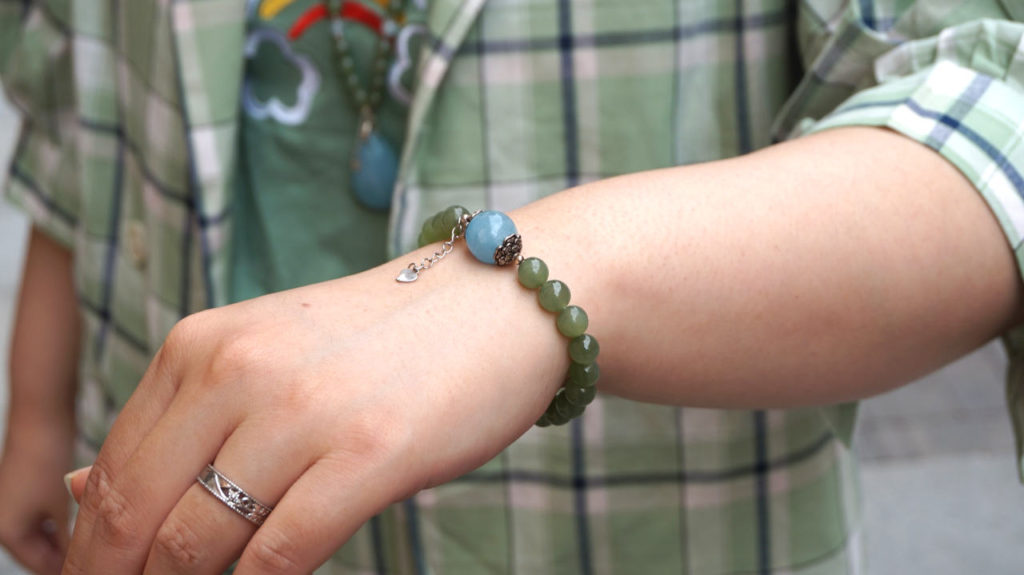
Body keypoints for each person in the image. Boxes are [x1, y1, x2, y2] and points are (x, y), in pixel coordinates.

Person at [1, 0, 1023, 573]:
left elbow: (989, 116)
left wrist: (537, 285)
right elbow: (80, 106)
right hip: (167, 475)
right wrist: (40, 410)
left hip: (635, 531)